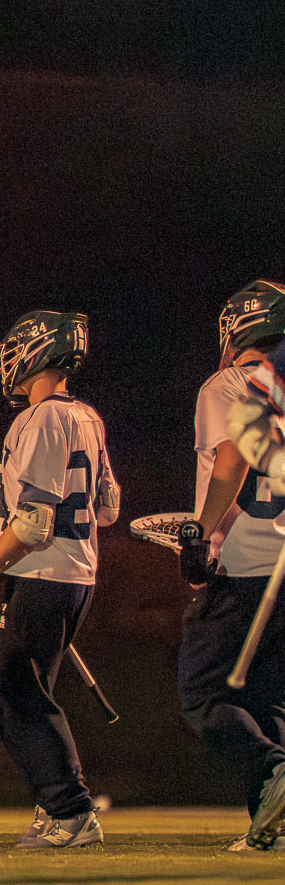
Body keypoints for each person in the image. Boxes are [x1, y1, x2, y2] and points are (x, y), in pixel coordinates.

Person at [0, 310, 119, 849]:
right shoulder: (88, 417)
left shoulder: (42, 418)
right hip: (77, 571)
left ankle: (71, 812)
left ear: (36, 351)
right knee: (25, 689)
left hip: (43, 572)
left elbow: (34, 523)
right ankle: (56, 806)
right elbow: (108, 508)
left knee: (16, 691)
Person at [182, 281, 285, 851]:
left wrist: (200, 532)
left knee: (204, 694)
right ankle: (273, 823)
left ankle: (273, 773)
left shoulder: (227, 384)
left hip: (245, 566)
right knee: (268, 699)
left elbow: (232, 457)